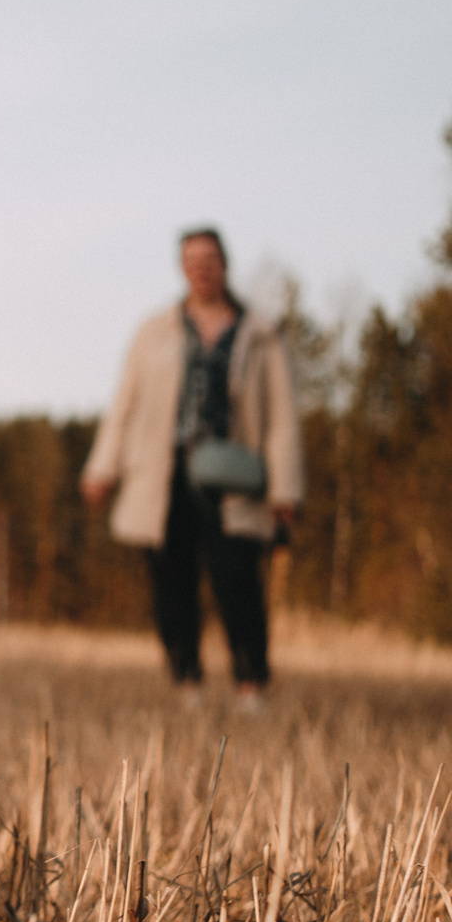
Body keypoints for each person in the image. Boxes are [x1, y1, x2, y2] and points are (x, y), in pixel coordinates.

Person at [82, 227, 303, 708]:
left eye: (209, 258)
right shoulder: (154, 331)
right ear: (182, 268)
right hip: (165, 474)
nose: (201, 267)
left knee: (237, 578)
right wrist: (103, 467)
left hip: (235, 476)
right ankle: (187, 682)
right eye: (191, 260)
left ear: (224, 263)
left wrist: (285, 489)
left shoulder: (260, 333)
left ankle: (251, 684)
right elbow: (124, 403)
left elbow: (283, 417)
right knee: (170, 581)